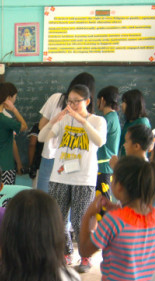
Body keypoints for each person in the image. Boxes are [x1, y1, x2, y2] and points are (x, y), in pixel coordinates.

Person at [38, 84, 107, 271]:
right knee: (58, 220)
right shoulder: (63, 120)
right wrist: (53, 121)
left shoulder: (98, 121)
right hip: (60, 176)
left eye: (77, 101)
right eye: (70, 101)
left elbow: (99, 141)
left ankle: (85, 256)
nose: (72, 105)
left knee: (80, 220)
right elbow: (42, 138)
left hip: (83, 179)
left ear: (87, 101)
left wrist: (82, 121)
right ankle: (66, 253)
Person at [36, 72, 95, 193]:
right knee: (64, 201)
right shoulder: (87, 113)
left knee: (43, 200)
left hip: (49, 155)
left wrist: (54, 124)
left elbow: (41, 126)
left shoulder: (56, 98)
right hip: (72, 159)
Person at [95, 86, 121, 197]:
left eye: (97, 100)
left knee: (102, 204)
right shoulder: (113, 117)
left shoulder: (107, 119)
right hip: (106, 167)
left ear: (102, 100)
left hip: (103, 167)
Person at [119, 90, 150, 157]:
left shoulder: (142, 122)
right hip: (125, 161)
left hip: (136, 162)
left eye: (124, 102)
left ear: (132, 104)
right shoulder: (128, 122)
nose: (122, 105)